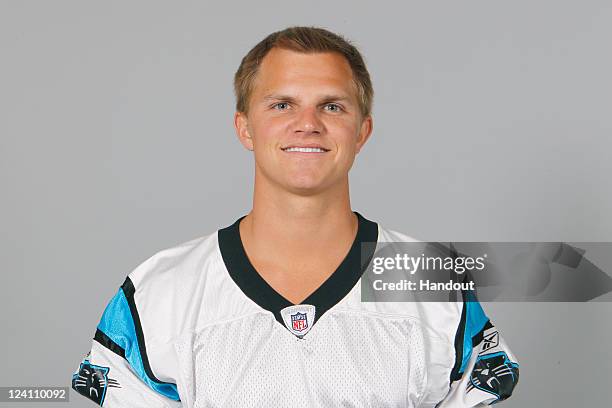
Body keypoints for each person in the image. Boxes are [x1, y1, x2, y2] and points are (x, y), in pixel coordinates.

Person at [71, 26, 519, 407]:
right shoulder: (160, 289)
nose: (308, 123)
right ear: (244, 127)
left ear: (362, 130)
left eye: (332, 105)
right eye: (282, 104)